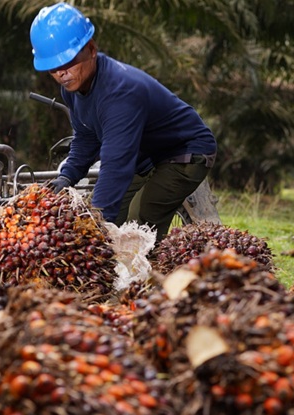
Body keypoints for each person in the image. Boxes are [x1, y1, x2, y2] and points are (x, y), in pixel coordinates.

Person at [30, 2, 217, 244]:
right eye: (53, 68)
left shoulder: (120, 91)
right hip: (147, 155)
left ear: (92, 48)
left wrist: (93, 230)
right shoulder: (72, 90)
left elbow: (116, 166)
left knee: (138, 223)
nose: (61, 73)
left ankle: (150, 277)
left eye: (68, 62)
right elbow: (86, 138)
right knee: (109, 216)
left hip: (186, 151)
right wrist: (67, 177)